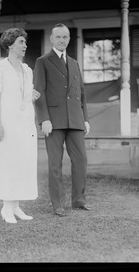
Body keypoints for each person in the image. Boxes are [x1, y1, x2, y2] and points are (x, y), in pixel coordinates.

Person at [33, 23, 90, 217]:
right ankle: (58, 204)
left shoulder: (74, 62)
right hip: (54, 121)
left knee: (81, 160)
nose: (62, 40)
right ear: (51, 39)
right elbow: (38, 91)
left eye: (65, 37)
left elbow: (81, 93)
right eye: (58, 37)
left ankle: (79, 200)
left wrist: (85, 119)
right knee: (55, 164)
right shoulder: (43, 61)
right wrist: (44, 120)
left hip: (75, 119)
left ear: (69, 39)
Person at [0, 28, 40, 224]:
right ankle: (6, 208)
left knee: (23, 163)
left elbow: (24, 95)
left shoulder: (27, 70)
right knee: (8, 163)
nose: (25, 45)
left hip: (26, 123)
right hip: (7, 123)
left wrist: (31, 96)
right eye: (21, 42)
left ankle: (16, 206)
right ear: (10, 45)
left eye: (25, 42)